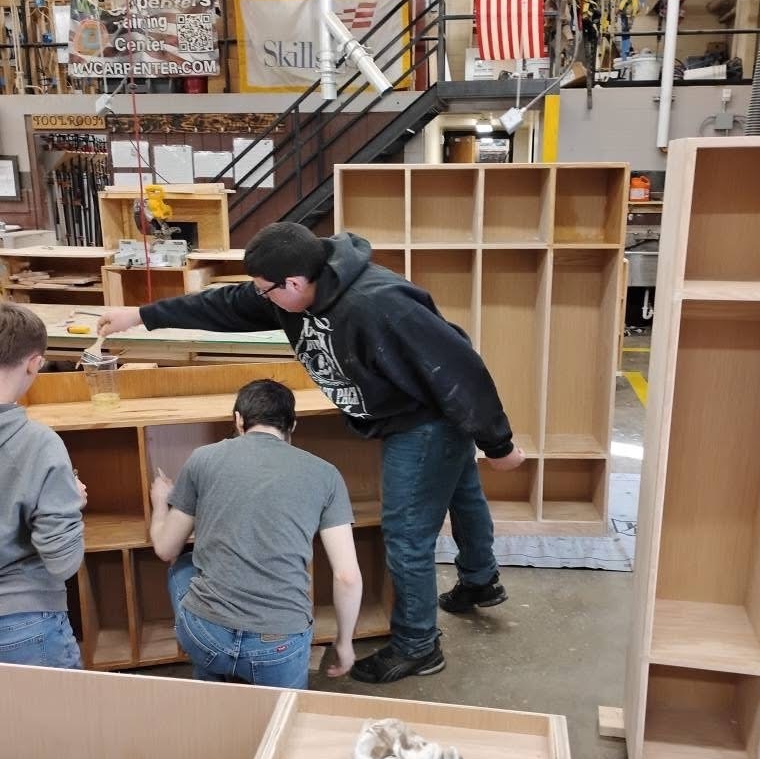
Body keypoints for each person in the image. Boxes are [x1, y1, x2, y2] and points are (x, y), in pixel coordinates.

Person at [100, 223, 525, 684]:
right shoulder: (289, 290)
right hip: (405, 415)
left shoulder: (379, 303)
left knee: (406, 535)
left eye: (266, 290)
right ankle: (481, 580)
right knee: (462, 493)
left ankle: (418, 645)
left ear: (295, 283)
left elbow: (459, 367)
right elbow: (225, 304)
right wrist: (141, 315)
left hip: (423, 421)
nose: (260, 297)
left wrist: (498, 443)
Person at [149, 378, 362, 689]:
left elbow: (165, 548)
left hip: (206, 635)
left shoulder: (202, 459)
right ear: (292, 426)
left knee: (182, 565)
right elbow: (347, 577)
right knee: (285, 714)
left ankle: (211, 682)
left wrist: (160, 504)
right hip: (279, 645)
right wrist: (344, 644)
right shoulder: (326, 475)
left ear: (238, 420)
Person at [0, 302, 87, 669]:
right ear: (34, 363)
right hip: (20, 619)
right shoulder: (38, 443)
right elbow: (63, 561)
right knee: (56, 709)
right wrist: (69, 499)